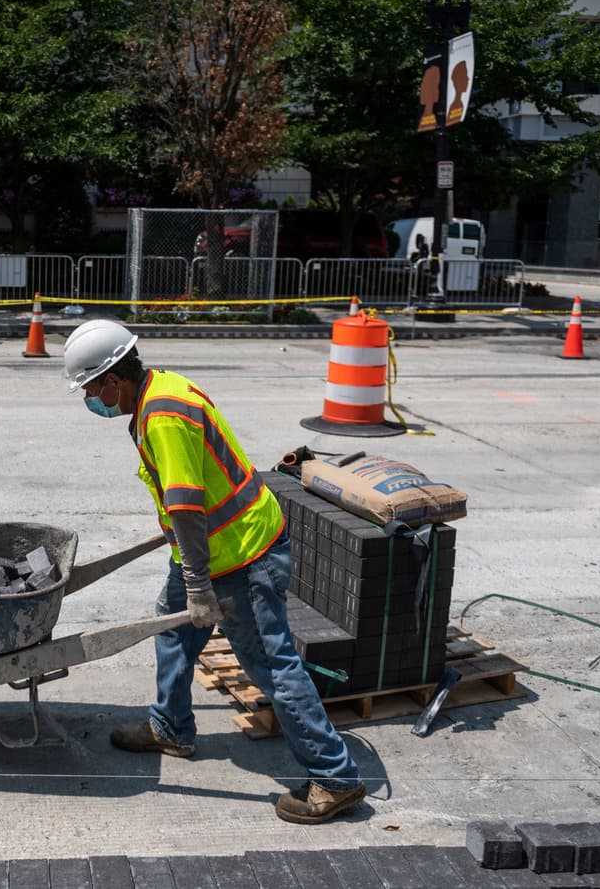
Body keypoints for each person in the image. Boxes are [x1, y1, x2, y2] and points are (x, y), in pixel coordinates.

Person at [62, 319, 365, 825]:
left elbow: (186, 505)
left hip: (242, 555)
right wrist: (187, 565)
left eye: (92, 388)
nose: (92, 399)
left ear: (114, 378)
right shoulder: (159, 387)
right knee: (174, 629)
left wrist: (199, 584)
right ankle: (172, 727)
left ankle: (335, 777)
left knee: (272, 665)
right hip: (209, 548)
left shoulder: (162, 417)